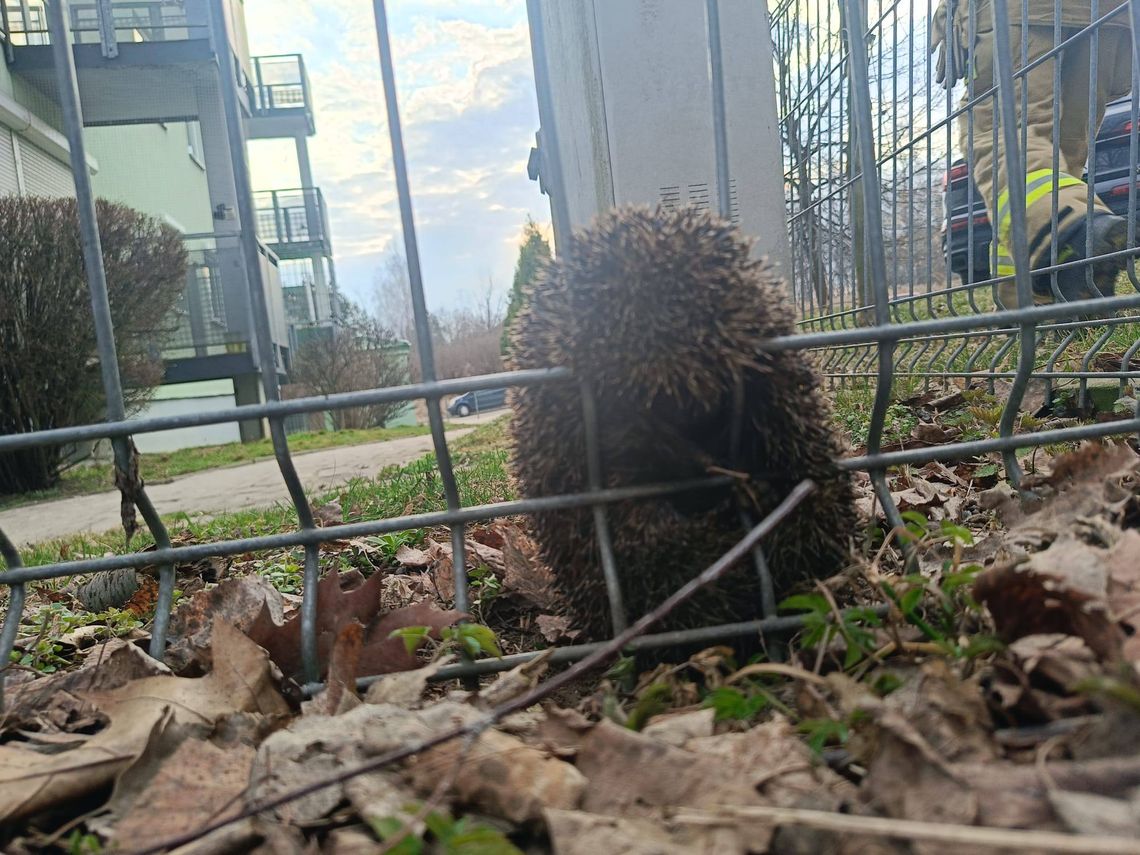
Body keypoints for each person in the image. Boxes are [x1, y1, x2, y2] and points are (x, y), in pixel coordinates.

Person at [930, 0, 1133, 309]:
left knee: (998, 135)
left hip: (1023, 11)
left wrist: (954, 13)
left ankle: (1071, 235)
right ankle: (1035, 303)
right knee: (1058, 159)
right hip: (1111, 17)